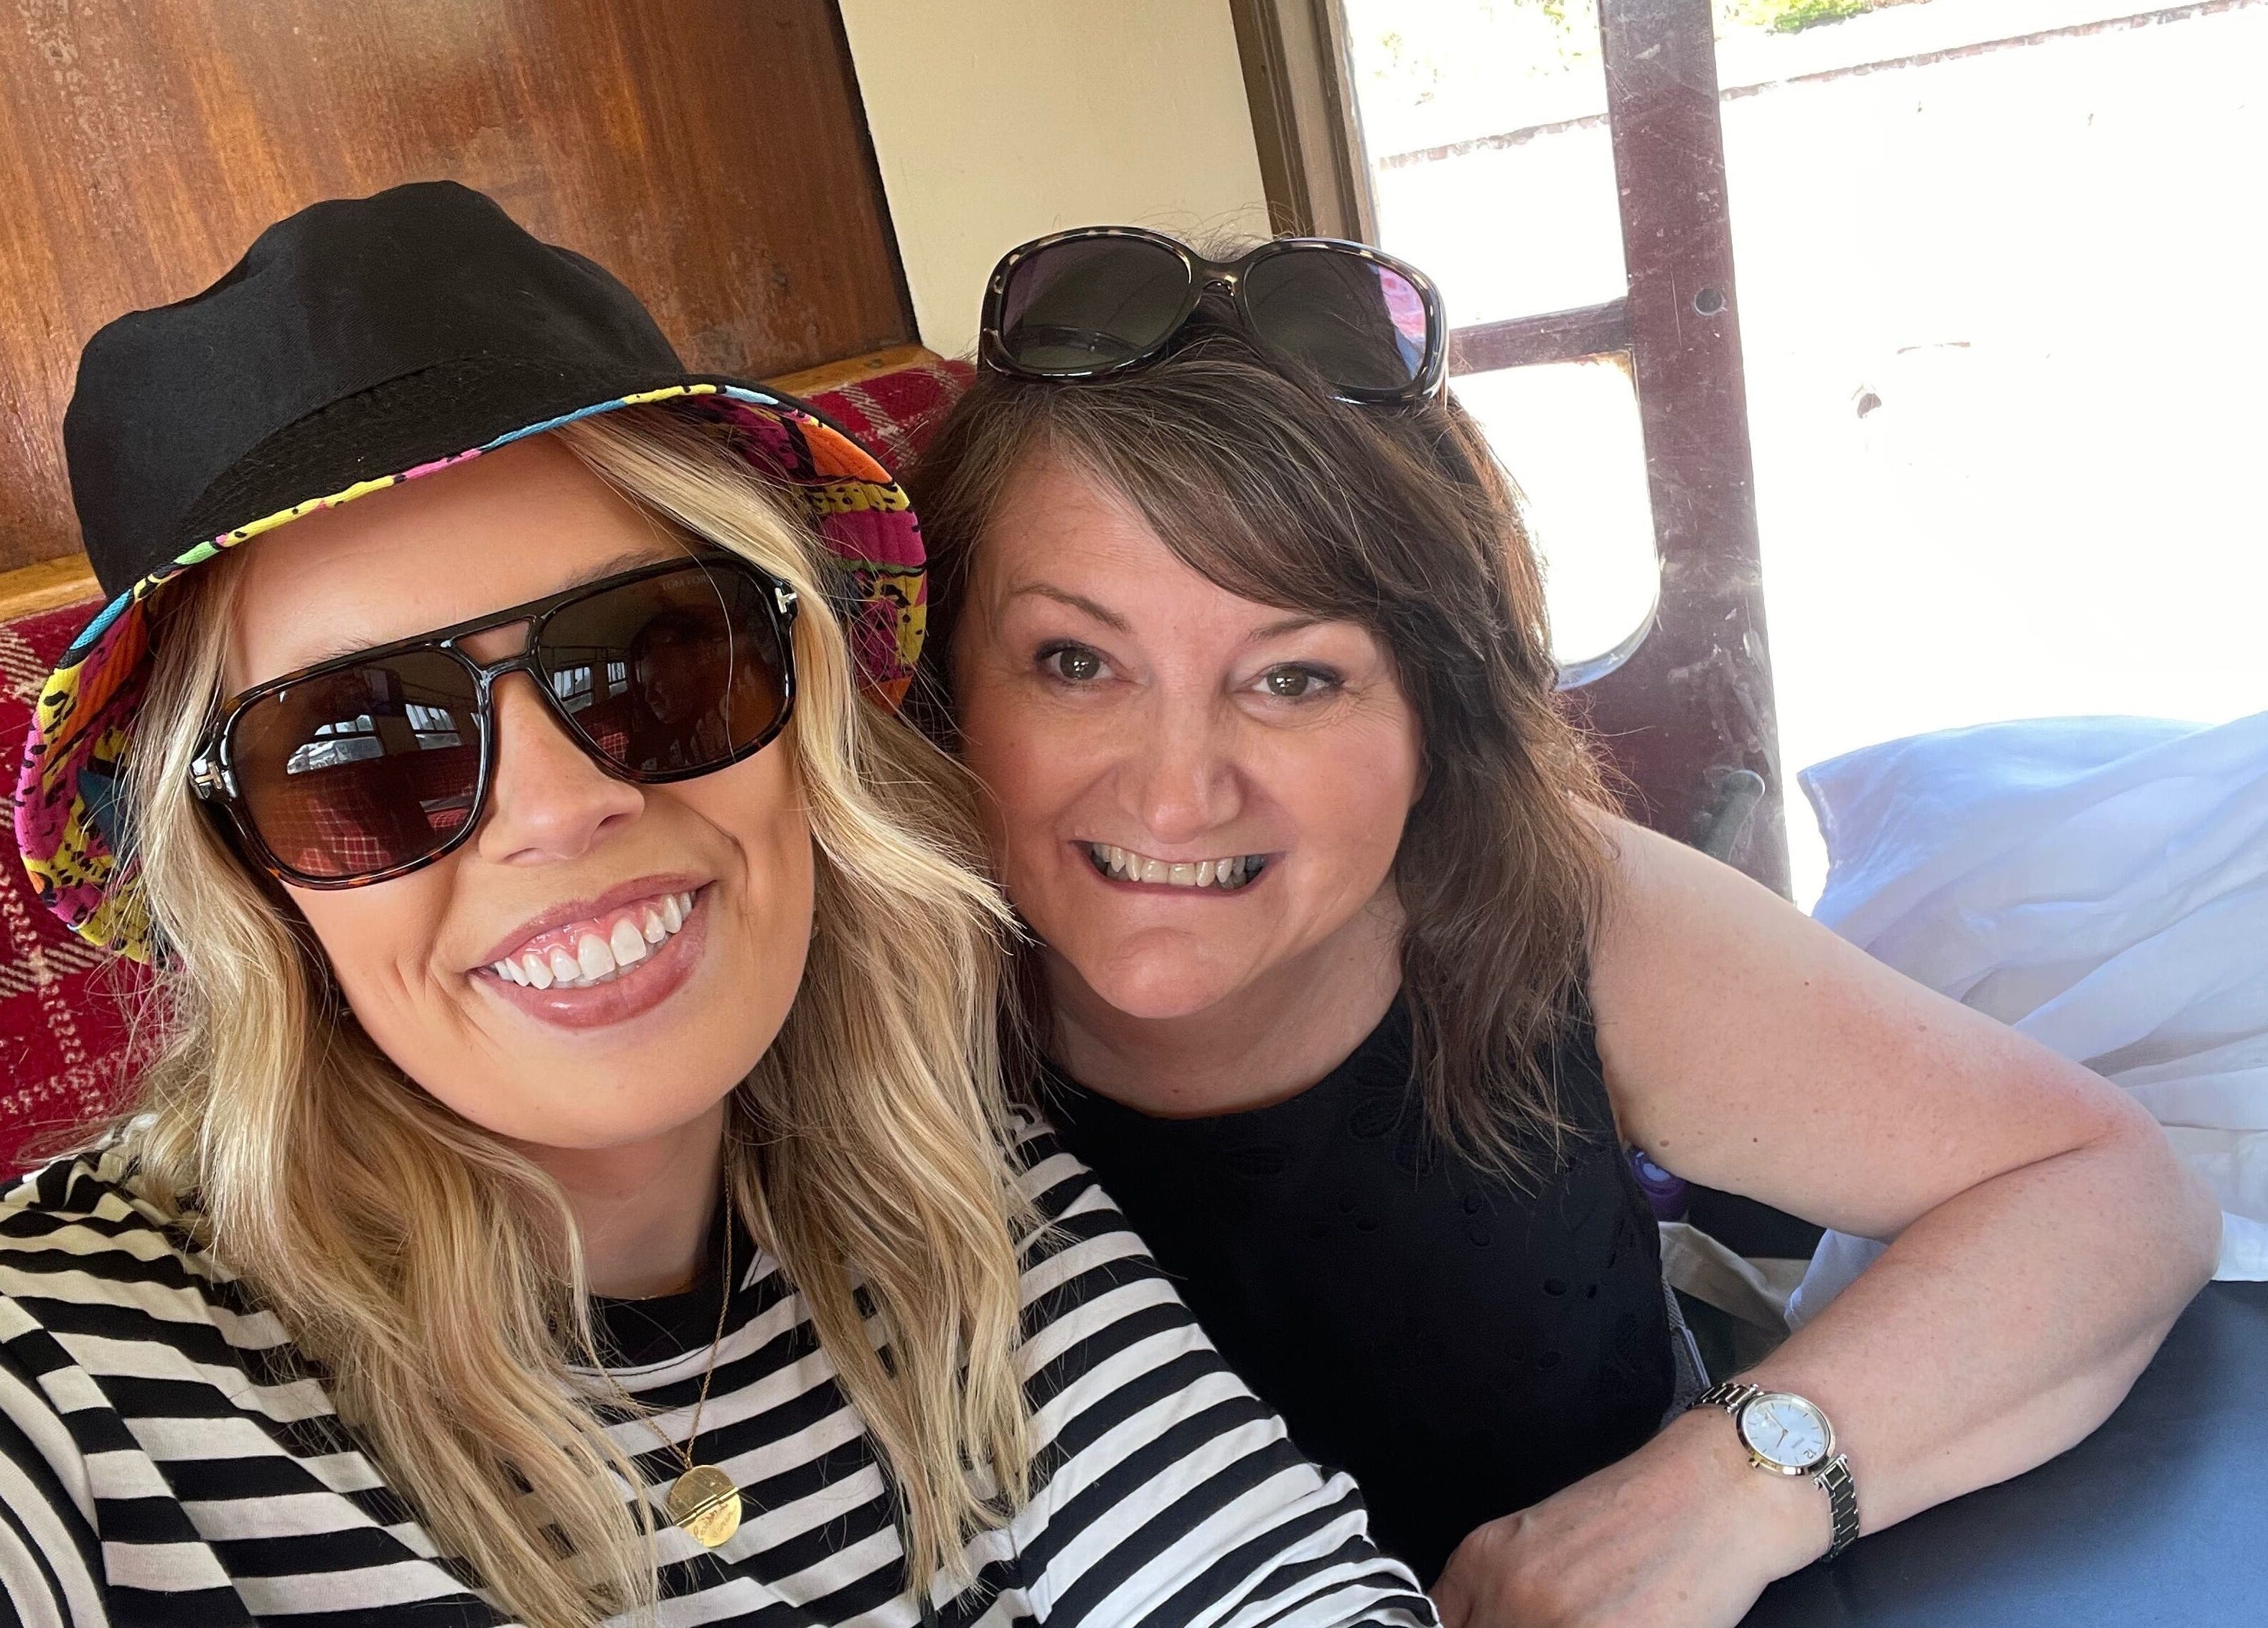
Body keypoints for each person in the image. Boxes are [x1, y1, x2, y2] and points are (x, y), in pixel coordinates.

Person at [0, 186, 1438, 1628]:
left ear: (802, 704)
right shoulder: (77, 1372)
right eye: (364, 749)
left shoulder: (942, 1189)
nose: (560, 808)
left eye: (650, 661)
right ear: (240, 864)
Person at [910, 227, 2224, 1627]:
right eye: (1073, 661)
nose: (1175, 794)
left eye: (1293, 677)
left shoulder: (1559, 911)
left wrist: (1723, 1492)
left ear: (1436, 713)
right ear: (946, 682)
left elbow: (2110, 1194)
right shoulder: (848, 1000)